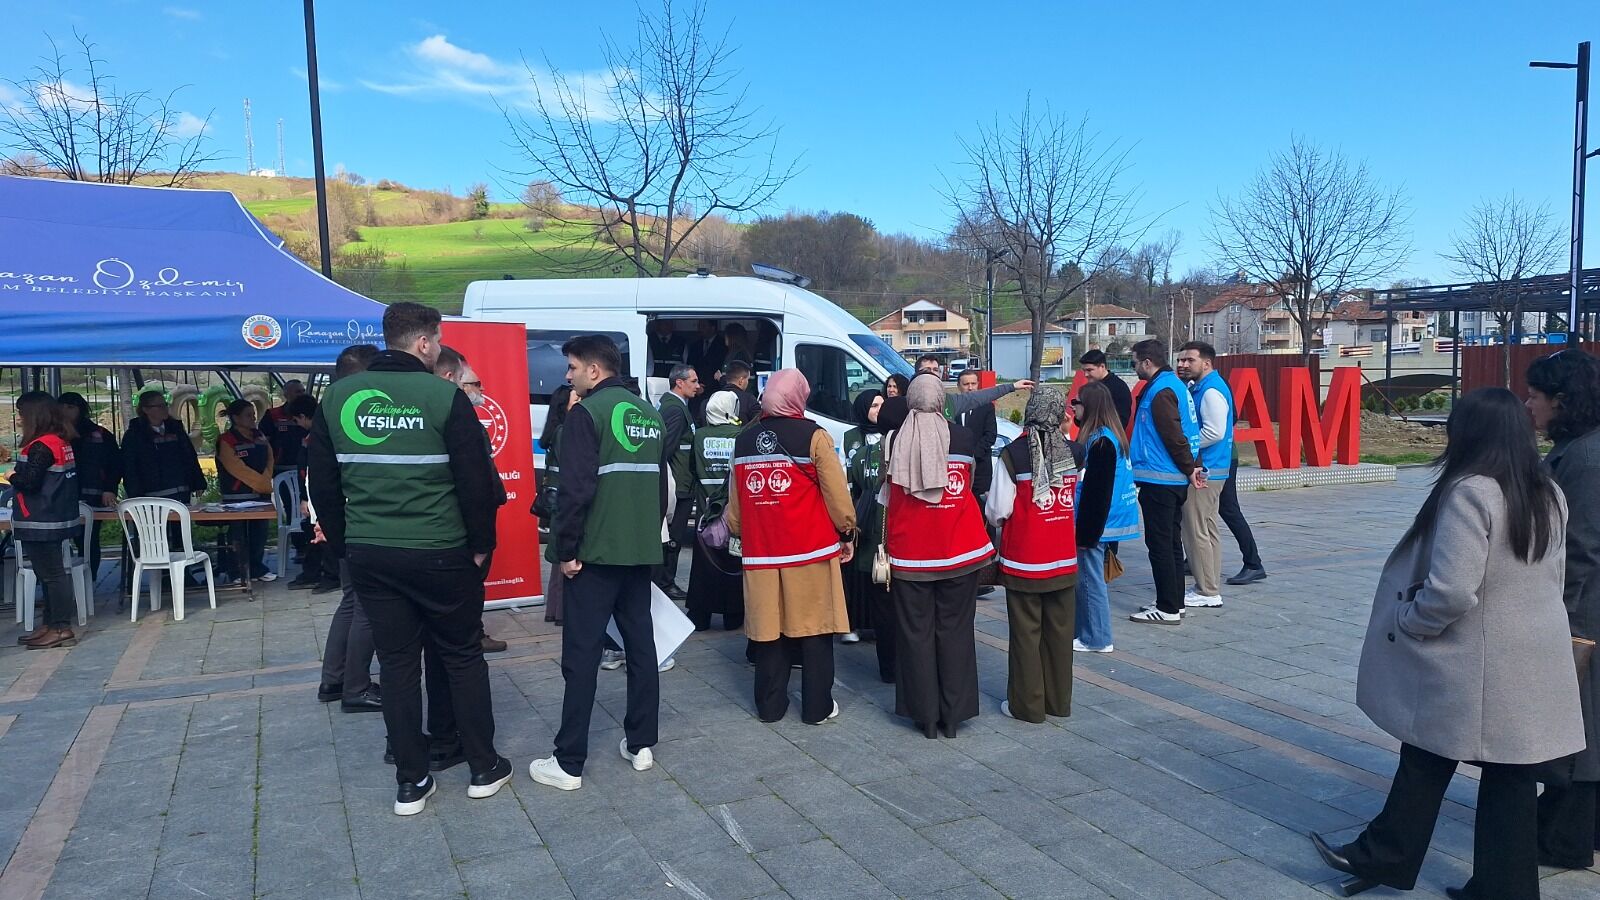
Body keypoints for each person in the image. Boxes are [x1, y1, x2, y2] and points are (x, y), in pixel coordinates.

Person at [1312, 387, 1584, 900]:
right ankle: (1492, 886)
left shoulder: (1473, 491)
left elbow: (1453, 589)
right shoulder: (1547, 491)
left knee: (1435, 752)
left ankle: (1388, 856)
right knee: (1501, 775)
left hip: (1478, 662)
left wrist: (1413, 621)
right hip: (1532, 657)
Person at [309, 305, 510, 817]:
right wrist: (481, 542)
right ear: (423, 343)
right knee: (462, 655)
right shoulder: (443, 396)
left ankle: (411, 782)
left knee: (398, 664)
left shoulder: (337, 397)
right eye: (438, 341)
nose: (440, 348)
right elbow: (473, 481)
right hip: (442, 550)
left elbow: (324, 484)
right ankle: (484, 768)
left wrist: (343, 545)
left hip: (372, 553)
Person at [529, 334, 666, 792]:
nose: (566, 376)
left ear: (593, 370)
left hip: (595, 554)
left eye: (571, 367)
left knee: (582, 655)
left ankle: (568, 761)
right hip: (639, 550)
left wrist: (564, 551)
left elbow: (575, 491)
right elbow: (660, 489)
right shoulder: (649, 413)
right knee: (641, 648)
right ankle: (641, 743)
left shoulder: (587, 415)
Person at [727, 370, 855, 724]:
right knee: (814, 630)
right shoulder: (814, 437)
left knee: (769, 632)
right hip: (809, 551)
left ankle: (770, 707)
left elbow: (734, 512)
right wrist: (847, 532)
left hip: (762, 554)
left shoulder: (744, 440)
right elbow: (836, 494)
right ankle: (817, 708)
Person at [881, 374, 994, 739]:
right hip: (959, 550)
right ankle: (953, 714)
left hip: (911, 554)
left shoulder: (894, 440)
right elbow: (973, 479)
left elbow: (886, 491)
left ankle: (924, 716)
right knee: (956, 630)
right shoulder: (961, 437)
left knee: (915, 635)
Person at [1526, 350, 1600, 870]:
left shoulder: (1585, 459)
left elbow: (1579, 550)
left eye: (1535, 396)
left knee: (1583, 729)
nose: (1529, 405)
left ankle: (1566, 838)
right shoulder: (1577, 450)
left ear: (1562, 401)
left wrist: (1560, 624)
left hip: (1585, 618)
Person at [985, 387, 1079, 724]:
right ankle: (1058, 701)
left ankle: (1027, 705)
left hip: (1024, 558)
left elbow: (998, 509)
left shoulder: (1013, 455)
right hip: (1064, 557)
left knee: (1026, 634)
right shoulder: (1074, 451)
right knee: (1060, 633)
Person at [314, 344, 383, 716]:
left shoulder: (329, 409)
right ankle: (355, 686)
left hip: (342, 524)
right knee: (366, 609)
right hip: (357, 523)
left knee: (351, 601)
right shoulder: (352, 413)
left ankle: (335, 679)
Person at [435, 345, 510, 655]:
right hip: (463, 520)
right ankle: (469, 634)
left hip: (481, 511)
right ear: (455, 381)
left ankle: (472, 630)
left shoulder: (470, 423)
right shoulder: (452, 421)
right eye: (475, 384)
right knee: (468, 582)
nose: (481, 390)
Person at [1126, 340, 1203, 625]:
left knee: (1160, 545)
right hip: (1170, 478)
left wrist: (1189, 467)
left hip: (1161, 479)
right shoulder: (1173, 386)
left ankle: (1168, 608)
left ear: (1147, 362)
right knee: (1170, 543)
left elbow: (1174, 436)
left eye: (1135, 363)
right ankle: (1173, 601)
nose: (1134, 369)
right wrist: (1191, 467)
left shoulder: (1161, 392)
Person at [1069, 381, 1139, 654]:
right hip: (1107, 520)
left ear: (1090, 407)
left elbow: (1097, 493)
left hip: (1098, 523)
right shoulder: (1108, 436)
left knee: (1090, 579)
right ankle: (1088, 632)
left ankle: (1097, 638)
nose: (1073, 406)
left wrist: (1086, 535)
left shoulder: (1100, 443)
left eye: (1077, 402)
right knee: (1090, 577)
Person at [9, 392, 81, 650]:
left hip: (41, 518)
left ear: (33, 415)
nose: (18, 418)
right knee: (48, 574)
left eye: (20, 413)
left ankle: (61, 627)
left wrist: (11, 475)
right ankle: (50, 624)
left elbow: (29, 481)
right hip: (55, 515)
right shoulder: (59, 441)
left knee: (52, 575)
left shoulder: (42, 445)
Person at [1175, 341, 1230, 609]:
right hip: (1212, 469)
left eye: (1189, 360)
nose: (1183, 364)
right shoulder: (1204, 387)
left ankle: (1207, 590)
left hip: (1206, 471)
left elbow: (1215, 431)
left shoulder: (1210, 391)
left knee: (1195, 530)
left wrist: (1186, 445)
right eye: (1181, 360)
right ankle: (1209, 586)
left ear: (1206, 363)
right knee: (1207, 529)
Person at [686, 390, 745, 631]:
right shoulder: (741, 435)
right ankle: (733, 615)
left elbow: (692, 469)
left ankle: (700, 615)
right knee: (733, 563)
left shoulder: (699, 436)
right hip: (734, 513)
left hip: (706, 512)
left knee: (703, 567)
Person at [57, 392, 121, 580]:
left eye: (71, 407)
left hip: (93, 497)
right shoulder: (54, 436)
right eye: (62, 406)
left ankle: (89, 581)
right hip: (61, 498)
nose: (66, 411)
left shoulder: (99, 434)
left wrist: (110, 488)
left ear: (81, 410)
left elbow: (115, 464)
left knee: (88, 541)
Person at [842, 390, 888, 650]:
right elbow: (844, 475)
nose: (878, 410)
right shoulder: (850, 438)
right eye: (874, 405)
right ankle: (854, 623)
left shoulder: (890, 435)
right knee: (856, 570)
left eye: (882, 405)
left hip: (883, 511)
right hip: (859, 510)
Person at [216, 399, 277, 585]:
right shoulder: (226, 440)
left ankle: (257, 568)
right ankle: (236, 571)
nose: (253, 418)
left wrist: (266, 482)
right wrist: (260, 483)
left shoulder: (259, 435)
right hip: (236, 496)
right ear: (235, 418)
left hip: (260, 494)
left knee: (259, 533)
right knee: (237, 534)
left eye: (253, 415)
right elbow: (237, 468)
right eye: (248, 415)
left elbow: (270, 458)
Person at [285, 394, 340, 593]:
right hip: (312, 490)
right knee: (314, 532)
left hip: (319, 491)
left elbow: (314, 469)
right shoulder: (315, 434)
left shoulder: (320, 434)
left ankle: (331, 575)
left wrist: (306, 498)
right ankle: (313, 572)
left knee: (323, 532)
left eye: (297, 420)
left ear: (303, 416)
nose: (298, 424)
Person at [656, 363, 700, 603]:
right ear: (679, 383)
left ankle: (664, 580)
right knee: (674, 537)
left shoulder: (675, 405)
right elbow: (667, 447)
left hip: (681, 481)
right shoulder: (674, 409)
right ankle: (665, 581)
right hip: (679, 484)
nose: (697, 385)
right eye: (693, 381)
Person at [537, 385, 577, 625]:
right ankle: (563, 611)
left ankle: (555, 609)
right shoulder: (567, 432)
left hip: (556, 500)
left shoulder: (557, 430)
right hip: (565, 500)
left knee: (557, 558)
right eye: (577, 398)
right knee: (564, 557)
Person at [1079, 350, 1132, 429]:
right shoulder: (1090, 387)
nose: (1085, 375)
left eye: (1089, 370)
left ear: (1102, 367)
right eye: (1084, 371)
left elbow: (1121, 421)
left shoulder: (1119, 388)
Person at [717, 360, 761, 424]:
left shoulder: (712, 399)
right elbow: (758, 425)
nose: (748, 383)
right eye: (747, 379)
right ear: (741, 381)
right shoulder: (749, 400)